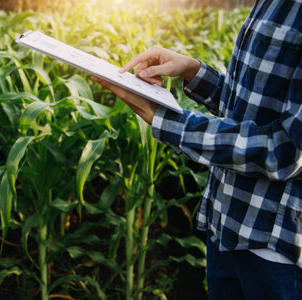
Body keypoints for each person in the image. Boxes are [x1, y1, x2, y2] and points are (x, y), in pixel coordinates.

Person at [91, 0, 302, 299]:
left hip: (274, 251)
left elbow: (288, 150)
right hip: (227, 228)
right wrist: (192, 71)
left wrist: (166, 120)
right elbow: (253, 109)